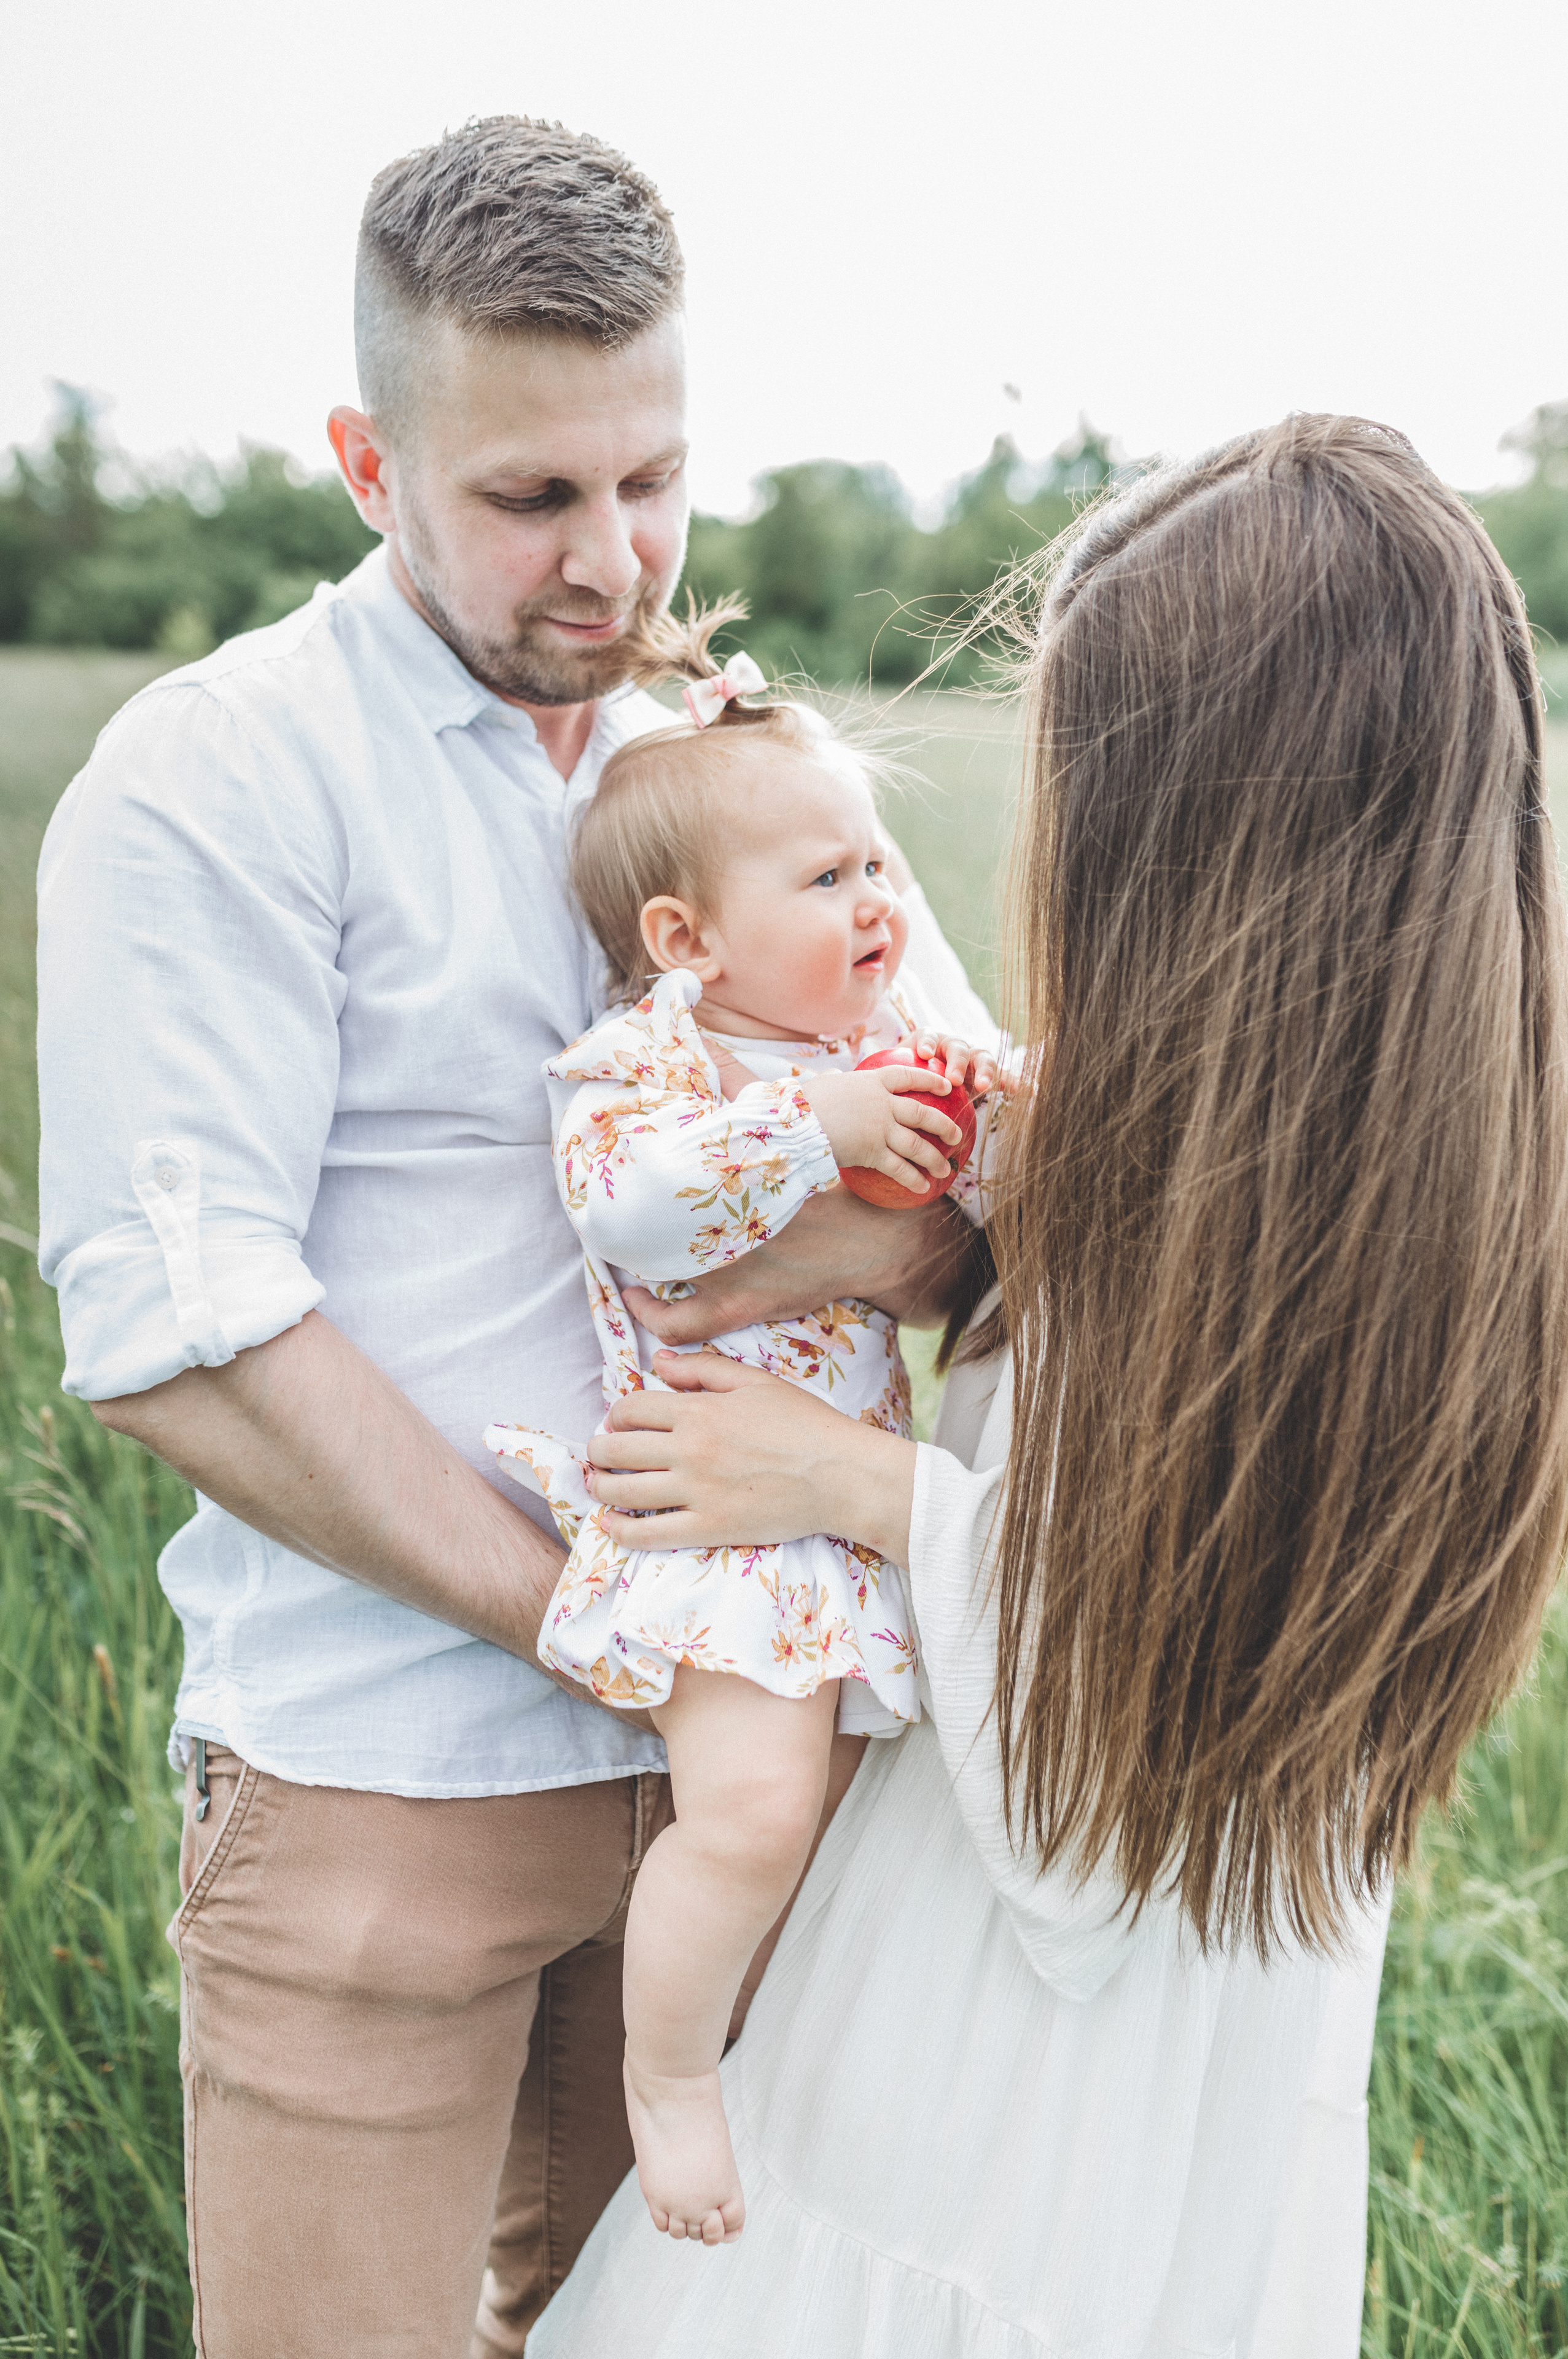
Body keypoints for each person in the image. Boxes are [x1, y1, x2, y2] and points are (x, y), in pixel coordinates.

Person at [34, 119, 981, 2359]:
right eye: (532, 496)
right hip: (387, 1785)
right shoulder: (215, 778)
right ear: (369, 458)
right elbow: (181, 1330)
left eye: (653, 478)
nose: (615, 557)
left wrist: (856, 1266)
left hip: (751, 1796)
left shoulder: (748, 776)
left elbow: (971, 1196)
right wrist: (595, 1616)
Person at [528, 417, 1568, 2355]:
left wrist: (857, 1484)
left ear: (1205, 851)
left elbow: (1107, 1815)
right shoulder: (1428, 1164)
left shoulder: (1277, 1234)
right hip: (1185, 2087)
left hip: (1015, 2088)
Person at [481, 603, 998, 2243]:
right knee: (757, 1812)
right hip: (721, 1528)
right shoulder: (651, 1065)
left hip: (826, 1524)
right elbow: (634, 1212)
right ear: (686, 937)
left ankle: (762, 2070)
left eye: (876, 862)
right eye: (828, 878)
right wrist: (814, 1120)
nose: (880, 899)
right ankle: (670, 2075)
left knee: (830, 1841)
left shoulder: (878, 1047)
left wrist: (996, 1122)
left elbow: (995, 1170)